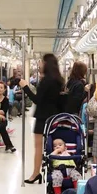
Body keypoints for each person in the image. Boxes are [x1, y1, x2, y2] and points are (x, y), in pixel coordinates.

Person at [19, 54, 65, 184]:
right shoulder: (58, 80)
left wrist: (25, 87)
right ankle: (52, 171)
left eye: (41, 62)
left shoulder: (46, 81)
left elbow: (37, 100)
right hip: (54, 116)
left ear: (46, 64)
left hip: (42, 117)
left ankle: (35, 174)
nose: (39, 64)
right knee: (52, 144)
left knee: (38, 147)